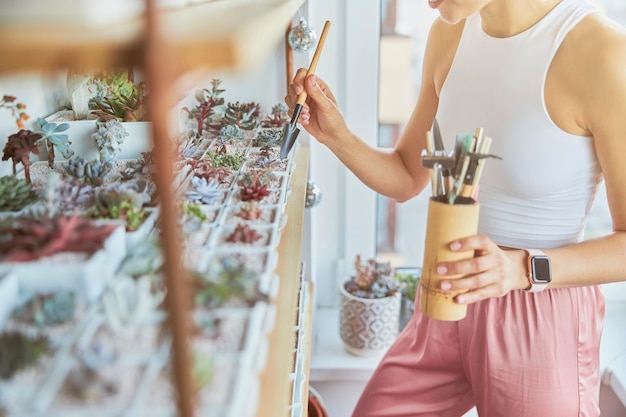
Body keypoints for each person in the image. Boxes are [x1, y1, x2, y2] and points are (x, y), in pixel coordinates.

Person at [284, 0, 626, 416]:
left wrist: (519, 268)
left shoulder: (602, 52)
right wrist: (335, 135)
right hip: (444, 300)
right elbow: (409, 174)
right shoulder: (450, 31)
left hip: (539, 314)